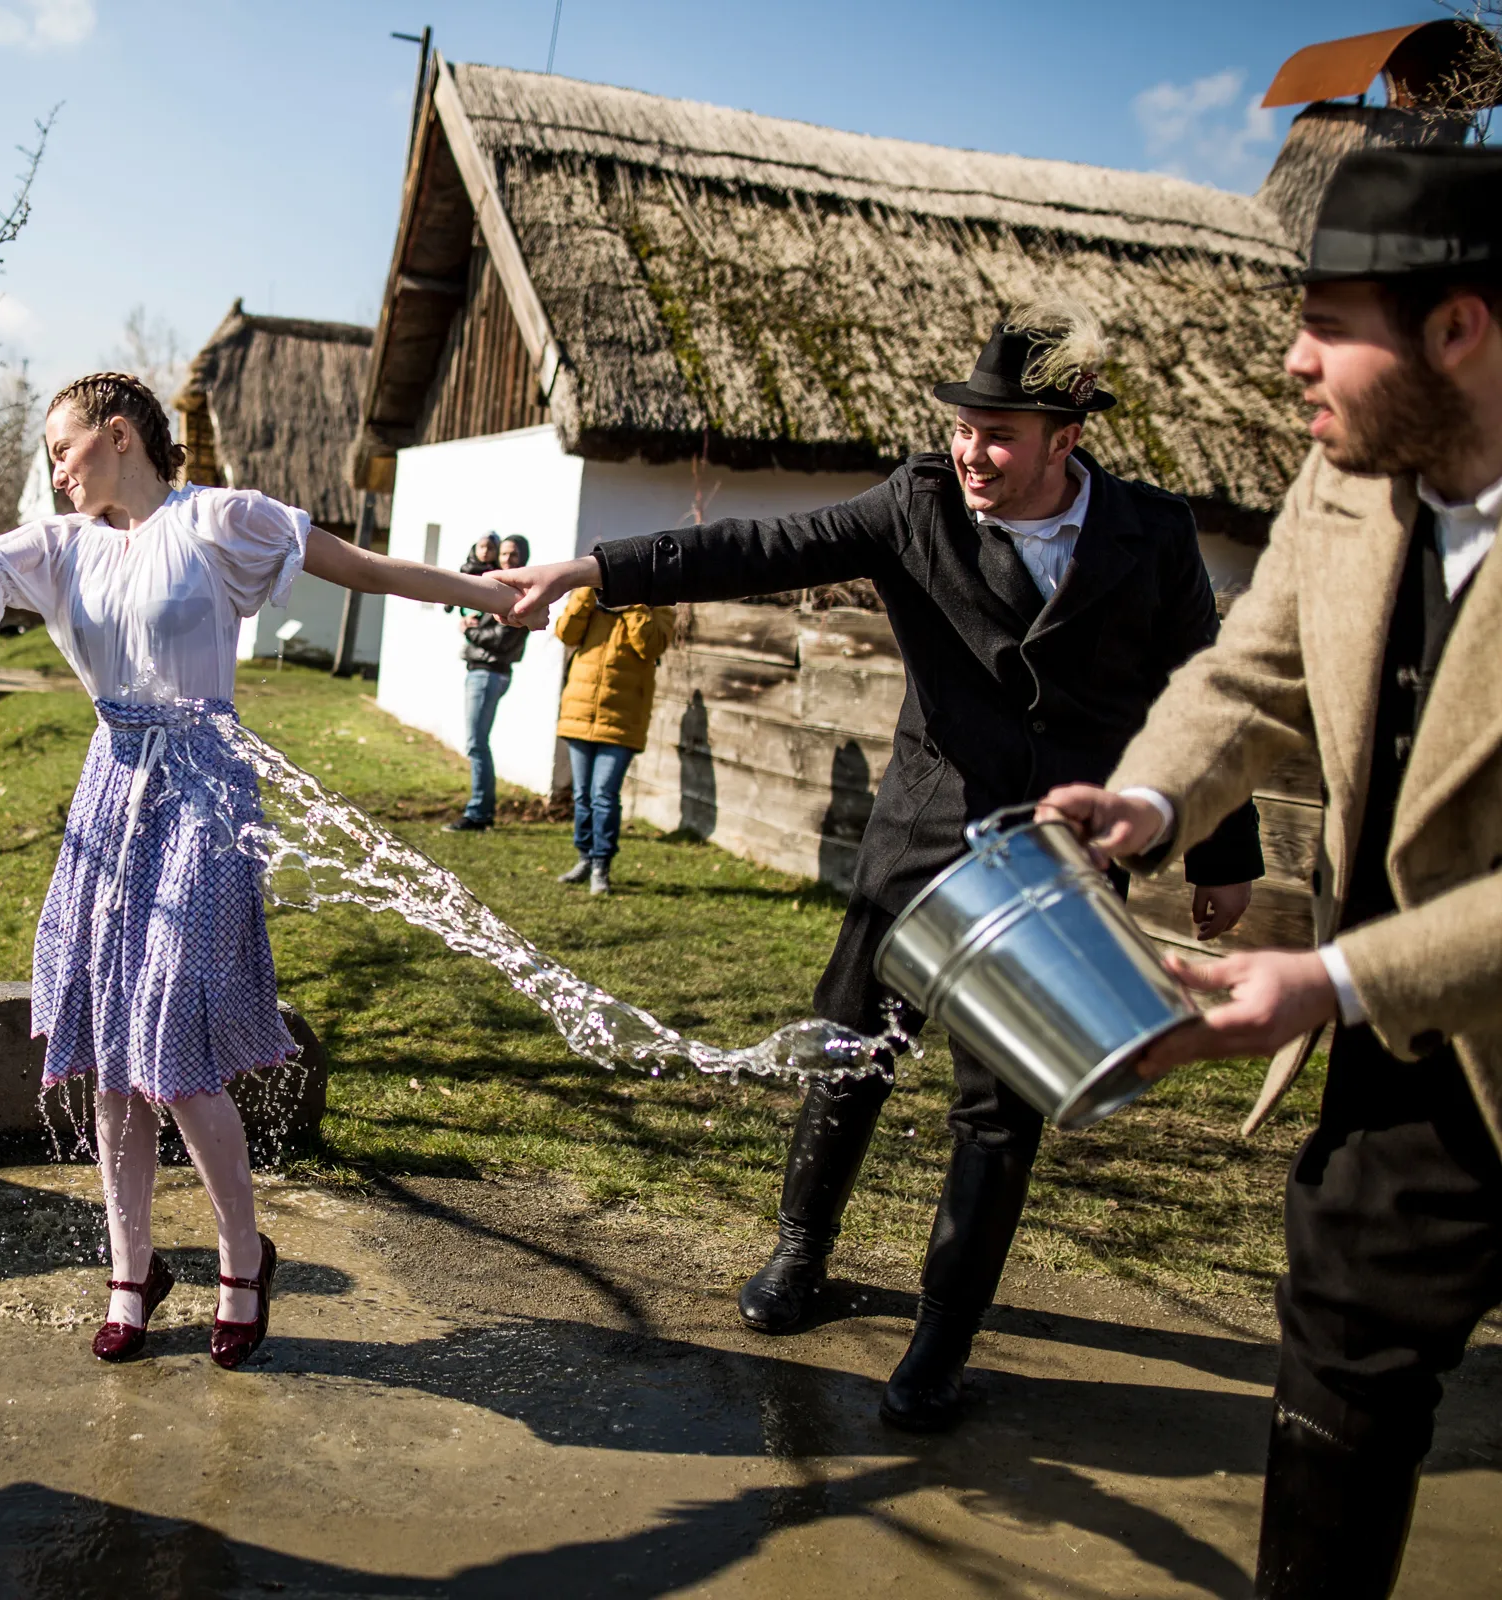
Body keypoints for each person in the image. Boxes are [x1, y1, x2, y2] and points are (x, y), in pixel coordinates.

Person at [497, 297, 1263, 1432]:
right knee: (851, 1052)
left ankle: (941, 1341)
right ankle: (799, 1252)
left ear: (1066, 438)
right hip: (920, 842)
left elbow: (1205, 694)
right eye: (963, 427)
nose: (972, 451)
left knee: (1001, 1109)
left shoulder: (1153, 535)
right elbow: (760, 547)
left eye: (999, 434)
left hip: (1061, 865)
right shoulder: (918, 504)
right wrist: (598, 568)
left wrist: (1224, 851)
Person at [0, 371, 521, 1371]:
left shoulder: (220, 520)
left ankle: (242, 1256)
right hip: (113, 788)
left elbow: (356, 565)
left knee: (172, 1044)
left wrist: (484, 592)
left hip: (206, 793)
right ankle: (131, 1271)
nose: (56, 468)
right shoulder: (59, 547)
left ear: (121, 433)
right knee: (108, 1048)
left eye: (65, 447)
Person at [1040, 148, 1502, 1600]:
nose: (1293, 361)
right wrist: (1148, 797)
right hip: (1402, 1052)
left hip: (1380, 984)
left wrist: (1331, 977)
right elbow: (1253, 670)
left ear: (1458, 328)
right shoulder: (1343, 473)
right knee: (1340, 1370)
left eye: (1328, 326)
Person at [550, 586, 675, 895]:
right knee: (582, 795)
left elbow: (650, 647)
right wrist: (585, 593)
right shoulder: (593, 601)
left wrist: (633, 603)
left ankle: (601, 866)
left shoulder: (658, 605)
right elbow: (566, 633)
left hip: (622, 721)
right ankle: (584, 857)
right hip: (580, 714)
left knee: (603, 794)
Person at [446, 535, 531, 833]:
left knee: (476, 743)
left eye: (513, 554)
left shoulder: (521, 594)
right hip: (480, 671)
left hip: (489, 673)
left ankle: (479, 813)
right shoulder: (500, 586)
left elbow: (500, 640)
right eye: (504, 553)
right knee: (477, 742)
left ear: (523, 557)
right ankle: (481, 810)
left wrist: (468, 632)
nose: (507, 559)